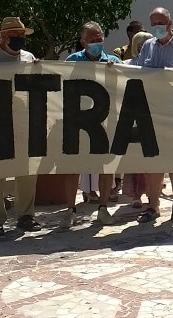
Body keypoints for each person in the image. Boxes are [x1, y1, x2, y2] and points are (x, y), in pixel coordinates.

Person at [128, 7, 173, 223]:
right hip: (152, 113)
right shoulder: (148, 47)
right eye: (153, 24)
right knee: (153, 162)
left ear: (170, 23)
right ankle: (153, 206)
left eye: (160, 23)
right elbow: (136, 72)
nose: (156, 27)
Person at [0, 17, 43, 236]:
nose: (19, 38)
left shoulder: (29, 58)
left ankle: (26, 215)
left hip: (24, 120)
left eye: (22, 35)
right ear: (3, 37)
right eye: (15, 35)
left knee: (26, 170)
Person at [61, 21, 122, 227]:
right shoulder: (71, 61)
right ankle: (70, 210)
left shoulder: (114, 62)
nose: (96, 42)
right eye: (91, 39)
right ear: (83, 42)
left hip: (104, 122)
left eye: (99, 38)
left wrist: (115, 72)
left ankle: (103, 209)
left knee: (105, 166)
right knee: (73, 167)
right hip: (77, 122)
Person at [119, 31, 154, 209]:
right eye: (140, 45)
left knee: (152, 159)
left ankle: (152, 193)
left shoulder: (156, 66)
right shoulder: (126, 65)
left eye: (147, 44)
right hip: (132, 118)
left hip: (152, 117)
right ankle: (136, 195)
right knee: (134, 159)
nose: (143, 48)